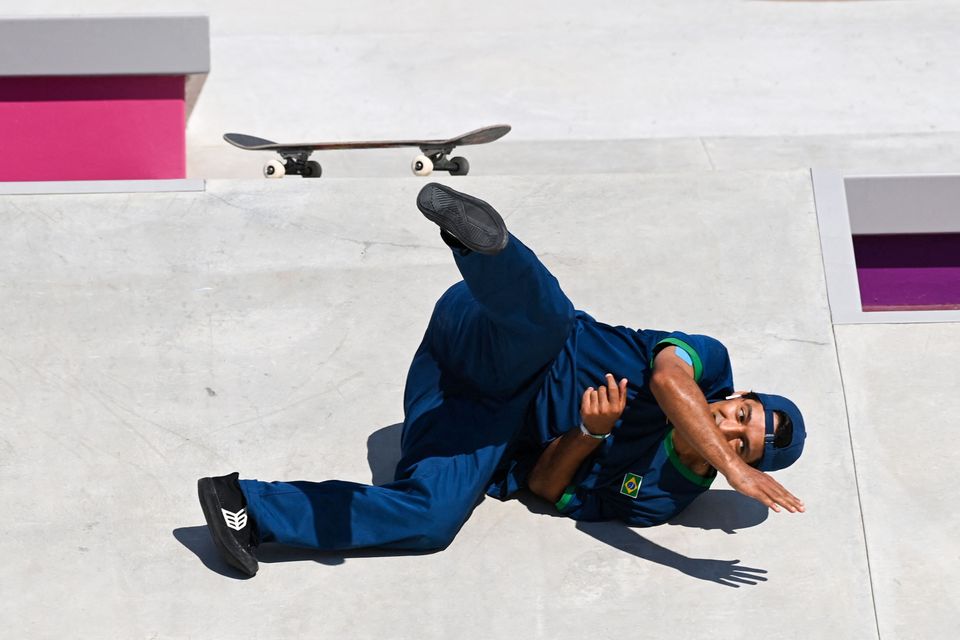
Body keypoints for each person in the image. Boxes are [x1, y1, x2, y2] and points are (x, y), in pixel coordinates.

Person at [197, 183, 806, 577]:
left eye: (740, 445)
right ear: (737, 396)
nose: (728, 433)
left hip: (470, 422)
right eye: (741, 418)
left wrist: (589, 435)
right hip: (493, 330)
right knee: (548, 323)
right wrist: (733, 470)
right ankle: (484, 246)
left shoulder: (660, 497)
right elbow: (672, 384)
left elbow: (545, 489)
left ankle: (247, 506)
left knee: (433, 522)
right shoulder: (706, 361)